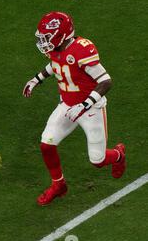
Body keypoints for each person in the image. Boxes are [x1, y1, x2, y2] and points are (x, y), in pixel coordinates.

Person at [23, 11, 126, 206]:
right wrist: (36, 79)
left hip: (91, 109)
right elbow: (56, 64)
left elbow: (105, 81)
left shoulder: (81, 50)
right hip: (67, 105)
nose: (44, 42)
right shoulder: (56, 49)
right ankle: (59, 184)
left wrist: (85, 104)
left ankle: (119, 155)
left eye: (47, 37)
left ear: (61, 34)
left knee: (98, 160)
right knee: (47, 144)